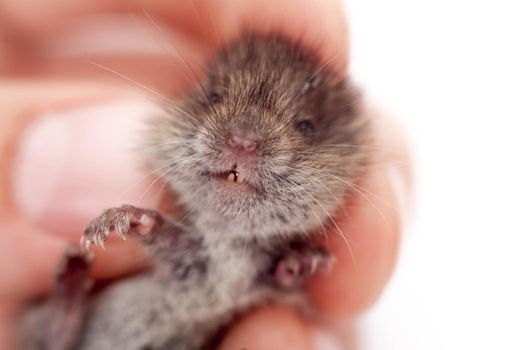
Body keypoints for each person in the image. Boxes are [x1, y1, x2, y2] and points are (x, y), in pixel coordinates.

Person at [0, 0, 410, 348]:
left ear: (346, 160)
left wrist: (286, 271)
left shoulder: (284, 257)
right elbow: (189, 260)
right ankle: (63, 318)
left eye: (302, 128)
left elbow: (205, 272)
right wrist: (147, 225)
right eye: (216, 99)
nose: (244, 138)